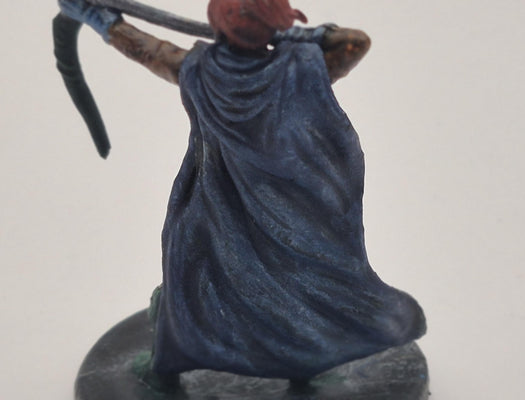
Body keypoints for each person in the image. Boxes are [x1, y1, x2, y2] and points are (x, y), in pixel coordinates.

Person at [59, 0, 426, 386]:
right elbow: (355, 42)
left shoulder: (202, 71)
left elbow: (148, 50)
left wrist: (102, 21)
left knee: (202, 273)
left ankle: (272, 363)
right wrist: (303, 35)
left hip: (225, 202)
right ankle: (293, 366)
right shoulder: (300, 66)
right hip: (268, 202)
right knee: (261, 279)